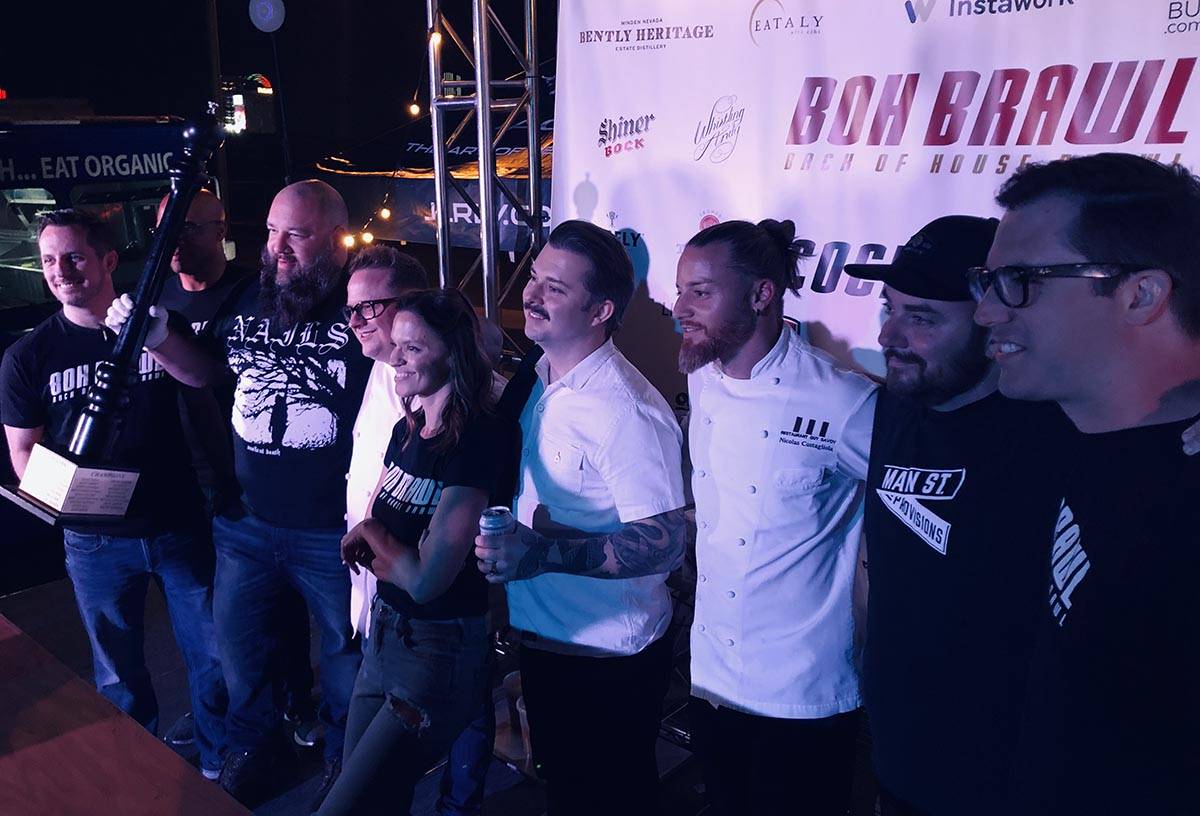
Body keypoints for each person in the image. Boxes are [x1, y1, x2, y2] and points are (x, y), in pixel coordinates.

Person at [107, 180, 371, 808]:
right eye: (273, 231)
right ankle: (251, 747)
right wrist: (158, 336)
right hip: (246, 524)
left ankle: (343, 758)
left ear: (334, 238)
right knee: (239, 653)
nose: (276, 247)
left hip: (331, 528)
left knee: (343, 656)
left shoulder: (361, 306)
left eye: (296, 235)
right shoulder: (250, 300)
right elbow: (205, 372)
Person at [973, 153, 1200, 814]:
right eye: (987, 280)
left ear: (1141, 294)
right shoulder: (1055, 428)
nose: (986, 312)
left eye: (1019, 280)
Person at [843, 216, 1069, 816]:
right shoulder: (896, 404)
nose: (891, 335)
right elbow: (880, 556)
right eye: (889, 308)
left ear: (993, 322)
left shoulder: (1055, 437)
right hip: (895, 749)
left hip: (1000, 775)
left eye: (922, 318)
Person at [0, 209, 228, 779]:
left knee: (211, 657)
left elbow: (202, 377)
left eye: (74, 256)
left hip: (177, 522)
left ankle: (221, 761)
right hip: (95, 542)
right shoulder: (28, 358)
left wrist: (155, 335)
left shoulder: (152, 322)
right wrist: (76, 498)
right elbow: (23, 453)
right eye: (49, 260)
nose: (61, 271)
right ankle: (139, 770)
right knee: (118, 672)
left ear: (106, 260)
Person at [474, 220, 687, 816]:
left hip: (606, 658)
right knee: (567, 789)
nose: (532, 295)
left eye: (556, 289)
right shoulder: (538, 376)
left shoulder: (627, 409)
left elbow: (666, 543)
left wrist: (540, 554)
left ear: (601, 311)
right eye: (536, 278)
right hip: (548, 638)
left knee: (610, 797)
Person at [672, 219, 875, 816]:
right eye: (680, 290)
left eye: (700, 293)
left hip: (803, 692)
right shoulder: (704, 382)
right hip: (711, 677)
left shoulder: (844, 401)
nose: (680, 307)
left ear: (762, 295)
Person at [318, 288, 519, 816]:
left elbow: (429, 579)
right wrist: (394, 553)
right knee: (374, 806)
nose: (395, 358)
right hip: (384, 638)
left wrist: (374, 532)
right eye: (395, 344)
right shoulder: (405, 432)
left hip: (437, 651)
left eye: (413, 347)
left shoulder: (478, 437)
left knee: (344, 807)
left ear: (452, 352)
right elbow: (397, 563)